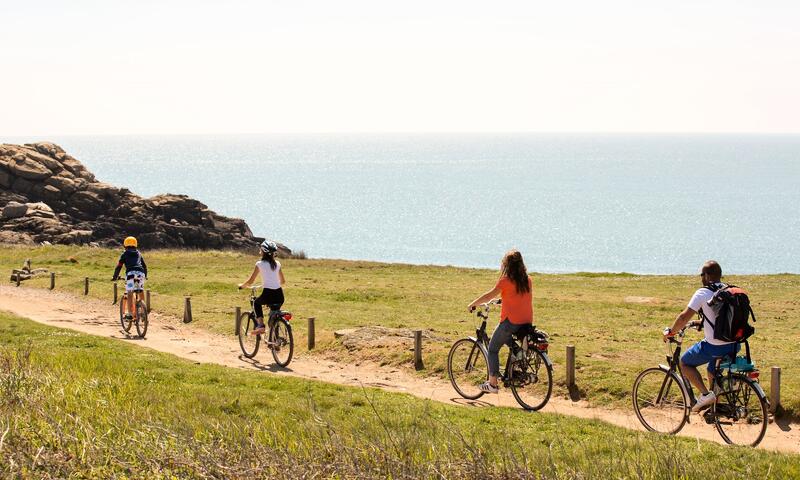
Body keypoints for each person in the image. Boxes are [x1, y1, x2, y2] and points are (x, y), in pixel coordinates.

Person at [663, 260, 739, 412]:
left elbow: (684, 316)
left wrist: (671, 332)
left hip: (714, 347)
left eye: (701, 274)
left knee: (684, 363)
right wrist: (703, 322)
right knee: (712, 370)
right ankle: (715, 407)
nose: (701, 277)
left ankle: (705, 395)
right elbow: (723, 317)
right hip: (734, 344)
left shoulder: (703, 292)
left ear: (707, 276)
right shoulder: (728, 290)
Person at [467, 249, 534, 394]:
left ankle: (492, 384)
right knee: (508, 341)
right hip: (526, 323)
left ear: (507, 265)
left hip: (510, 323)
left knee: (492, 349)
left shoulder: (505, 281)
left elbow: (487, 295)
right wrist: (501, 300)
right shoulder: (527, 280)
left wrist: (473, 303)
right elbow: (518, 297)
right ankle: (514, 366)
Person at [239, 240, 286, 335]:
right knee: (274, 315)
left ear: (263, 251)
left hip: (268, 294)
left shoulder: (259, 264)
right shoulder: (277, 263)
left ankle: (260, 326)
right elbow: (283, 281)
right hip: (280, 295)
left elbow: (250, 281)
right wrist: (273, 282)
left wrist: (242, 286)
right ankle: (274, 341)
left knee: (256, 303)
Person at [111, 236, 148, 321]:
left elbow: (119, 266)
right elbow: (144, 266)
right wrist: (145, 276)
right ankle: (143, 311)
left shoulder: (124, 253)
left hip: (131, 273)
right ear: (135, 244)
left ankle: (130, 314)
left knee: (130, 292)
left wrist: (115, 276)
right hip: (140, 273)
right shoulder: (139, 253)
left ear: (125, 245)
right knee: (140, 290)